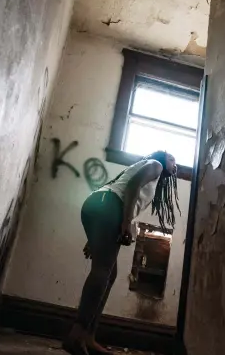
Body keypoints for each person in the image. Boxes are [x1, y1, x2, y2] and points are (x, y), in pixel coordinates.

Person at [63, 150, 180, 355]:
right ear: (162, 158)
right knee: (103, 270)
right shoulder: (155, 165)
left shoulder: (152, 170)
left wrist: (95, 238)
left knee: (110, 273)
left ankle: (88, 336)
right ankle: (77, 334)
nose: (175, 165)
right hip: (108, 206)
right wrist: (125, 222)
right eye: (172, 159)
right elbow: (133, 185)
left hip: (99, 205)